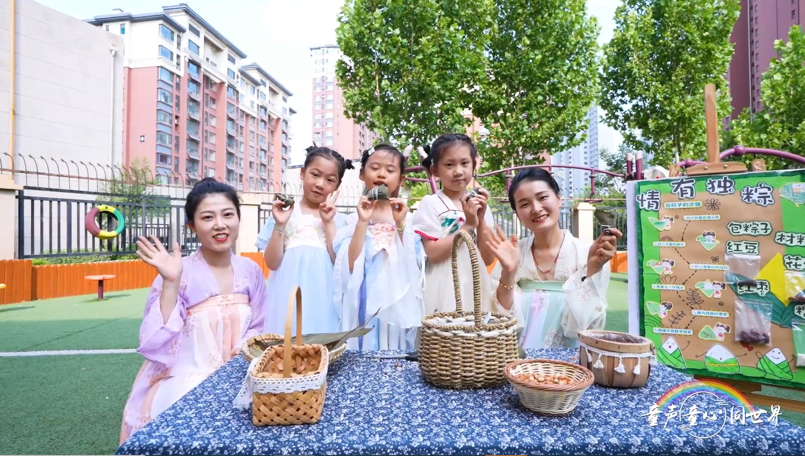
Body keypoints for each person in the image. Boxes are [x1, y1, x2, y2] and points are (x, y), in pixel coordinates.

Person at [120, 178, 267, 443]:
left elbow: (260, 324)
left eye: (227, 215)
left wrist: (245, 346)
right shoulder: (179, 271)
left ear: (238, 219)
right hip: (185, 381)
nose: (220, 224)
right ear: (192, 226)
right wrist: (171, 282)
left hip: (241, 378)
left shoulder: (251, 270)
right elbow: (156, 337)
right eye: (208, 217)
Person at [485, 168, 620, 349]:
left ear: (558, 199)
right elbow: (499, 322)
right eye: (524, 204)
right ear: (517, 213)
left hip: (571, 364)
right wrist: (508, 274)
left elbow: (586, 328)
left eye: (542, 198)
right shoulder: (513, 253)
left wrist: (592, 269)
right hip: (518, 361)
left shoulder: (588, 254)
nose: (536, 208)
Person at [333, 144, 424, 351]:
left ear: (401, 179)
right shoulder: (353, 218)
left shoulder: (407, 218)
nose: (382, 174)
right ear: (362, 174)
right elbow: (348, 262)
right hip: (362, 295)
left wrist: (400, 224)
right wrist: (362, 222)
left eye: (390, 170)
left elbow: (413, 263)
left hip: (394, 298)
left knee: (392, 344)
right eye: (374, 168)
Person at [256, 146, 352, 335]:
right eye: (315, 175)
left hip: (325, 298)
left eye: (330, 180)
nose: (320, 184)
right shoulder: (283, 215)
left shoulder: (340, 220)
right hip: (287, 297)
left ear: (337, 186)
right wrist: (280, 224)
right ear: (302, 173)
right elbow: (272, 263)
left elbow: (339, 262)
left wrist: (328, 222)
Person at [412, 134, 495, 315]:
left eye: (464, 163)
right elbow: (433, 253)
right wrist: (468, 226)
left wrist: (480, 222)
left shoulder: (481, 205)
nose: (458, 171)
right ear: (435, 170)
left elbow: (487, 258)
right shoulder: (431, 203)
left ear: (474, 164)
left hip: (475, 281)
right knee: (444, 338)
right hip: (442, 283)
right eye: (449, 165)